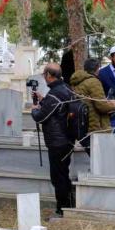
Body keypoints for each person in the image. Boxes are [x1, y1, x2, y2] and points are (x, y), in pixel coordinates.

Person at [31, 63, 74, 217]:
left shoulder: (55, 93)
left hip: (57, 141)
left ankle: (61, 209)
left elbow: (41, 117)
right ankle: (68, 205)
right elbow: (57, 110)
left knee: (58, 176)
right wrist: (43, 100)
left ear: (49, 75)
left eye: (44, 74)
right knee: (63, 173)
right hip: (68, 138)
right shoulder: (66, 89)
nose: (44, 76)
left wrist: (34, 110)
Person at [70, 58, 115, 150]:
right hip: (96, 128)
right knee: (101, 157)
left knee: (94, 156)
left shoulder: (77, 82)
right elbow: (101, 106)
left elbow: (91, 102)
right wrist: (114, 104)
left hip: (84, 126)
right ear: (97, 69)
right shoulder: (94, 82)